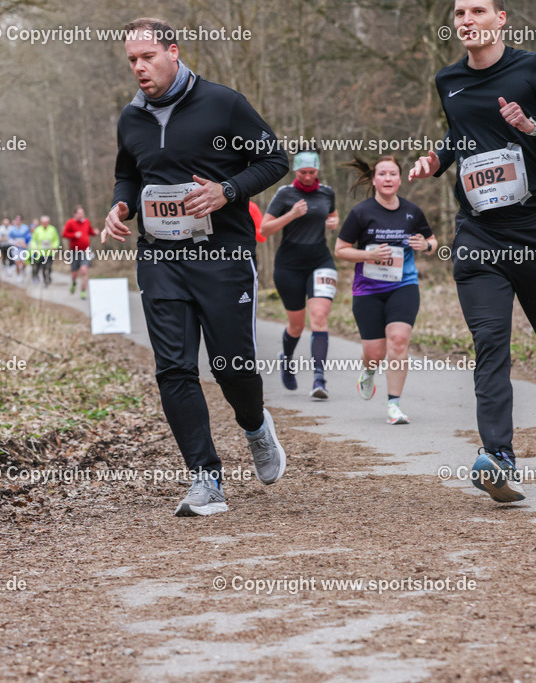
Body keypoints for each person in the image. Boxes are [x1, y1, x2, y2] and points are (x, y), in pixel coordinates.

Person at [408, 0, 536, 502]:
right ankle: (499, 456)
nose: (466, 20)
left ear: (501, 19)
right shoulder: (447, 80)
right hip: (478, 236)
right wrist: (436, 159)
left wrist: (534, 128)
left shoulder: (533, 68)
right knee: (490, 343)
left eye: (477, 10)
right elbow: (461, 134)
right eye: (458, 13)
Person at [102, 17, 289, 516]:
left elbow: (274, 160)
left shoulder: (222, 103)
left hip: (223, 257)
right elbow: (127, 175)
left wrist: (226, 191)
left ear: (173, 52)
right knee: (174, 368)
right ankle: (206, 480)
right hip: (161, 259)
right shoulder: (131, 118)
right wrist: (121, 207)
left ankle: (255, 427)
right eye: (132, 61)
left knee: (232, 366)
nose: (139, 68)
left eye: (147, 57)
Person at [335, 156, 436, 425]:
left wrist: (424, 246)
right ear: (375, 179)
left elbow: (432, 241)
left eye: (393, 174)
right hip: (367, 290)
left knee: (399, 341)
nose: (388, 178)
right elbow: (340, 250)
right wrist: (367, 256)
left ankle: (394, 406)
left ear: (400, 179)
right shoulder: (361, 212)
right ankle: (368, 371)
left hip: (404, 285)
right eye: (382, 174)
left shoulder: (412, 212)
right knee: (375, 353)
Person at [261, 151, 339, 400]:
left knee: (319, 317)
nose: (307, 177)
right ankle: (287, 359)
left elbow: (333, 214)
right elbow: (264, 229)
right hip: (289, 266)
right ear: (296, 172)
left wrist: (334, 222)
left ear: (318, 171)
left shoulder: (327, 192)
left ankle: (319, 379)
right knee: (296, 324)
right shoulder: (285, 194)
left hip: (321, 262)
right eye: (302, 172)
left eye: (312, 172)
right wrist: (291, 215)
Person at [62, 205, 97, 298]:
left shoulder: (86, 222)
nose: (82, 215)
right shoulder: (70, 222)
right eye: (80, 213)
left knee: (84, 271)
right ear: (75, 214)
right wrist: (74, 235)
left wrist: (95, 233)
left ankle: (83, 291)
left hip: (85, 251)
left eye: (83, 213)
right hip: (74, 251)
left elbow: (90, 232)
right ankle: (74, 283)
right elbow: (64, 234)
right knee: (74, 273)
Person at [29, 215, 60, 286]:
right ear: (41, 222)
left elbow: (56, 239)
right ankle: (45, 280)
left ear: (48, 222)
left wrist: (54, 246)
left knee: (48, 266)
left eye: (46, 222)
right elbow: (33, 240)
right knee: (43, 267)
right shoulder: (37, 230)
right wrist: (34, 248)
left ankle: (48, 276)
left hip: (50, 252)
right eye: (43, 222)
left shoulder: (52, 229)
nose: (45, 224)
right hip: (41, 253)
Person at [9, 214, 31, 278]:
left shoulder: (26, 228)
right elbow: (10, 239)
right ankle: (19, 276)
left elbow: (29, 237)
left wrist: (26, 244)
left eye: (19, 220)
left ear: (21, 221)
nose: (17, 221)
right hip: (16, 248)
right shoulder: (12, 229)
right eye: (16, 220)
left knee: (24, 263)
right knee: (17, 263)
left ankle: (23, 270)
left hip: (24, 248)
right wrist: (14, 243)